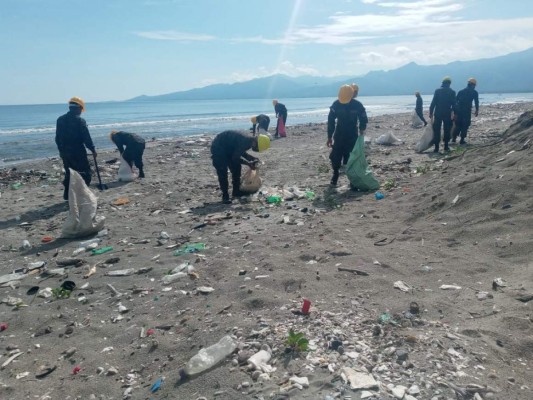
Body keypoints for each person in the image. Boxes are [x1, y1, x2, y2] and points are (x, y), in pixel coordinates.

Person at [211, 130, 270, 204]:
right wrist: (248, 163)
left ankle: (236, 191)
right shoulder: (246, 141)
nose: (255, 148)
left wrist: (252, 158)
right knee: (222, 172)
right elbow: (235, 157)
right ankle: (225, 196)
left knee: (236, 168)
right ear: (256, 142)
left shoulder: (249, 140)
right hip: (218, 148)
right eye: (257, 147)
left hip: (229, 148)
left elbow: (240, 151)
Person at [55, 96, 96, 200]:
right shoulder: (80, 121)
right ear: (78, 108)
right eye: (81, 109)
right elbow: (86, 137)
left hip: (65, 152)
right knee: (85, 172)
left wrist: (61, 151)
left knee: (69, 173)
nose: (81, 112)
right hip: (77, 151)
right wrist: (92, 149)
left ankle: (67, 195)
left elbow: (57, 138)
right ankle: (82, 194)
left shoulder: (60, 119)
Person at [327, 84, 368, 186]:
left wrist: (362, 129)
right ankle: (335, 174)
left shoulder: (357, 105)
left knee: (350, 158)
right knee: (335, 157)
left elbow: (363, 118)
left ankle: (352, 180)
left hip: (352, 135)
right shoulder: (336, 104)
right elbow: (331, 121)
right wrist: (329, 136)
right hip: (339, 134)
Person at [429, 77, 456, 152]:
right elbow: (454, 104)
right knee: (447, 129)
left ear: (443, 83)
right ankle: (446, 146)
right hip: (447, 113)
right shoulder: (452, 92)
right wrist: (455, 114)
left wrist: (431, 112)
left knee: (437, 129)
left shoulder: (437, 91)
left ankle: (436, 147)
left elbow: (433, 102)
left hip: (438, 112)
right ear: (449, 84)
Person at [452, 78, 479, 144]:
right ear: (473, 85)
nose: (474, 87)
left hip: (459, 111)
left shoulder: (461, 91)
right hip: (467, 111)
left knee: (458, 124)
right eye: (474, 85)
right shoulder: (474, 92)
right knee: (465, 125)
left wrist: (455, 112)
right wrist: (477, 110)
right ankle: (462, 140)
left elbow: (455, 102)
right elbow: (476, 102)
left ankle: (454, 139)